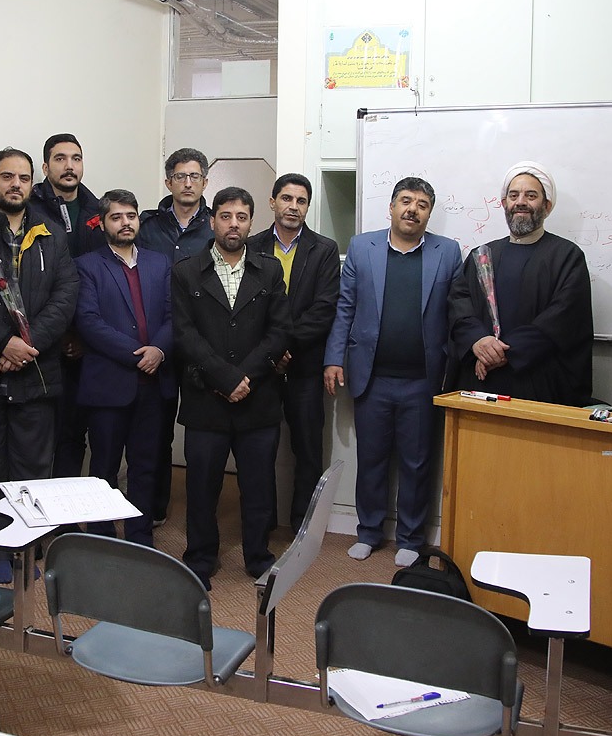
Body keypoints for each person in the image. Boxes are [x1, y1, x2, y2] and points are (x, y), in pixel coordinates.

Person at [0, 147, 79, 584]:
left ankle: (26, 547)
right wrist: (1, 342)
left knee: (32, 467)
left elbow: (65, 296)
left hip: (36, 373)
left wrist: (26, 345)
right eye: (7, 177)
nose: (16, 185)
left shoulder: (51, 233)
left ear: (32, 183)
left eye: (23, 178)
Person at [324, 176, 460, 565]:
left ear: (428, 213)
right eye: (405, 201)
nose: (412, 209)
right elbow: (345, 307)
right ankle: (368, 532)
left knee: (417, 463)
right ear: (391, 207)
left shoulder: (448, 252)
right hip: (372, 378)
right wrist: (334, 358)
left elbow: (457, 312)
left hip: (422, 380)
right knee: (372, 459)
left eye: (422, 204)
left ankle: (411, 539)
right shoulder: (361, 247)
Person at [172, 187, 289, 588]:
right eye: (225, 216)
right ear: (212, 221)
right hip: (206, 397)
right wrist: (224, 378)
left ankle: (259, 556)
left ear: (251, 222)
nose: (233, 225)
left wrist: (245, 378)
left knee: (258, 486)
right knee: (202, 487)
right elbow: (185, 334)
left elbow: (279, 331)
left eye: (241, 217)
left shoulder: (269, 270)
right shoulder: (186, 271)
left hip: (258, 398)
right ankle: (200, 558)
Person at [73, 189, 175, 545]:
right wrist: (140, 355)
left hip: (153, 386)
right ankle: (102, 538)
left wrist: (159, 350)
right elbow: (88, 322)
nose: (125, 223)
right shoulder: (87, 265)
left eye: (130, 216)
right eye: (116, 217)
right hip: (109, 385)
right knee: (104, 468)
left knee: (146, 467)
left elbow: (173, 315)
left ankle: (140, 537)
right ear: (103, 224)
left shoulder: (160, 263)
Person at [448, 162, 593, 405]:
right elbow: (459, 306)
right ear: (504, 204)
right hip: (480, 380)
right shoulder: (482, 255)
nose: (521, 202)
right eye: (513, 196)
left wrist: (505, 352)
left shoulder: (567, 256)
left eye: (531, 196)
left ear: (547, 206)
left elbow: (562, 318)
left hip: (538, 383)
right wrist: (478, 341)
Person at [245, 174, 340, 533]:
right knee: (260, 449)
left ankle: (304, 525)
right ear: (272, 202)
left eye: (301, 201)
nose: (293, 207)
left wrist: (283, 346)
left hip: (304, 366)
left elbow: (324, 309)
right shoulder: (251, 246)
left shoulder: (324, 249)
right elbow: (246, 308)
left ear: (307, 207)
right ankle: (263, 523)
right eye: (286, 198)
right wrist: (270, 352)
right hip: (262, 368)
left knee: (308, 449)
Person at [137, 147, 215, 525]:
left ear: (205, 182)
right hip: (159, 341)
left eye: (194, 176)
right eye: (180, 176)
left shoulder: (216, 226)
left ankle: (202, 511)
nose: (187, 183)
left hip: (203, 341)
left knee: (202, 433)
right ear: (168, 182)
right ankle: (155, 507)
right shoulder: (147, 226)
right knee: (157, 431)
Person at [28, 134, 102, 479]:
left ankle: (67, 507)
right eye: (60, 159)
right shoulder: (29, 208)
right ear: (45, 167)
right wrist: (56, 334)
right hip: (41, 339)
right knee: (39, 436)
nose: (69, 166)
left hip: (85, 340)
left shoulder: (97, 210)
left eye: (76, 158)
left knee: (74, 434)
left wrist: (82, 334)